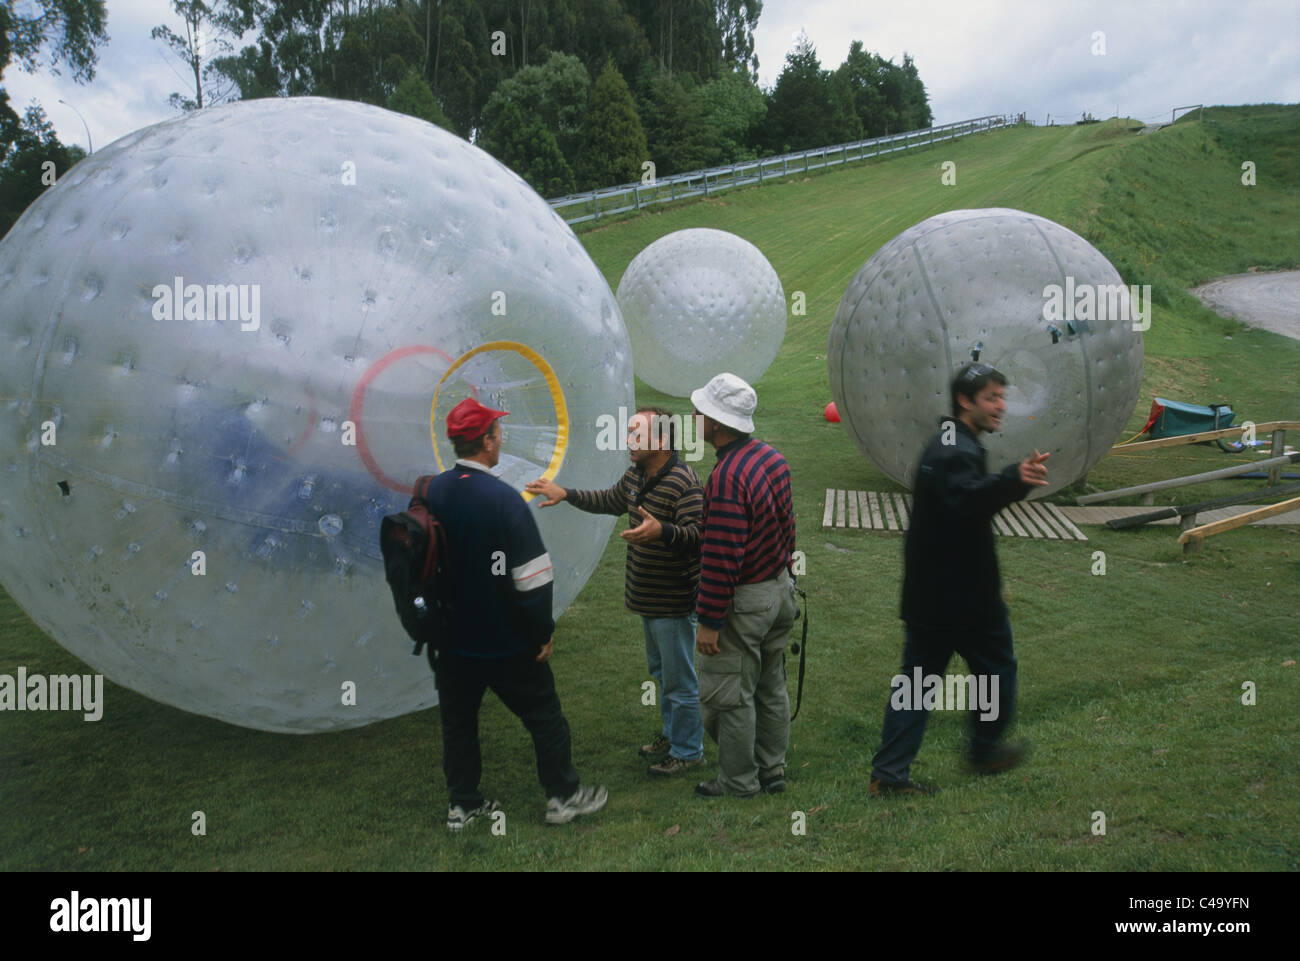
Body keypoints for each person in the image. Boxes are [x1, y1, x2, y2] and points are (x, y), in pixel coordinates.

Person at [422, 396, 608, 828]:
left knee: (459, 724)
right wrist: (541, 632)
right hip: (505, 640)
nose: (500, 436)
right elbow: (533, 577)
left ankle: (463, 805)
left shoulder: (431, 491)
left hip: (451, 640)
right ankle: (562, 797)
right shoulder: (503, 500)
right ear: (486, 441)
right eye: (496, 431)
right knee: (544, 716)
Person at [869, 362, 1050, 796]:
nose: (1001, 406)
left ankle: (890, 775)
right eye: (991, 398)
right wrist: (1013, 480)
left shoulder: (949, 441)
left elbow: (960, 516)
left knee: (916, 683)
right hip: (962, 602)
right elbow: (965, 503)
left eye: (1003, 397)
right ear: (965, 401)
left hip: (934, 595)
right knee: (995, 671)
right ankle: (984, 751)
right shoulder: (955, 450)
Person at [526, 407, 706, 776]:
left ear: (660, 441)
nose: (628, 441)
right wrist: (567, 493)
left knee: (679, 679)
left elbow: (700, 537)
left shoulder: (684, 483)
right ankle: (673, 736)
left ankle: (689, 752)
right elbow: (610, 500)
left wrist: (664, 532)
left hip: (672, 601)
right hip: (648, 598)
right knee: (662, 673)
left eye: (635, 434)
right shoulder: (636, 475)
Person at [689, 373, 798, 799]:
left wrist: (710, 620)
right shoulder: (772, 458)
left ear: (716, 423)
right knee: (771, 686)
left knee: (730, 693)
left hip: (746, 600)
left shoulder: (727, 477)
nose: (695, 417)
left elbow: (722, 555)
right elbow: (789, 530)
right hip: (779, 590)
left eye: (700, 412)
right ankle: (772, 771)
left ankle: (737, 781)